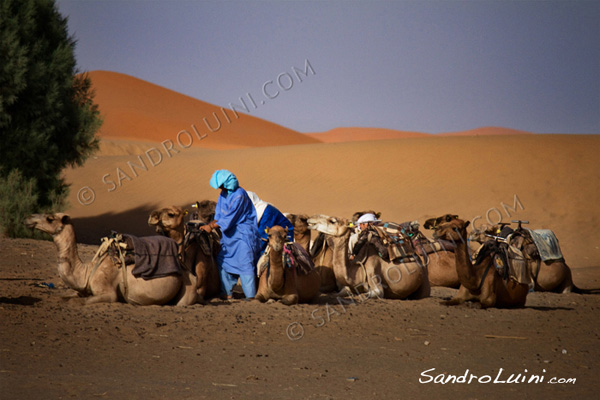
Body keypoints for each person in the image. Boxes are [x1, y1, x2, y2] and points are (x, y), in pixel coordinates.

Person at [204, 170, 260, 299]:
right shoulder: (223, 194)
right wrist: (210, 224)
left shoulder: (239, 195)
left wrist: (211, 226)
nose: (220, 187)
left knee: (245, 265)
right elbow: (219, 214)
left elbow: (230, 217)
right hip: (229, 236)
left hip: (243, 236)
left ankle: (250, 296)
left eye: (221, 184)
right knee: (223, 261)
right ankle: (226, 293)